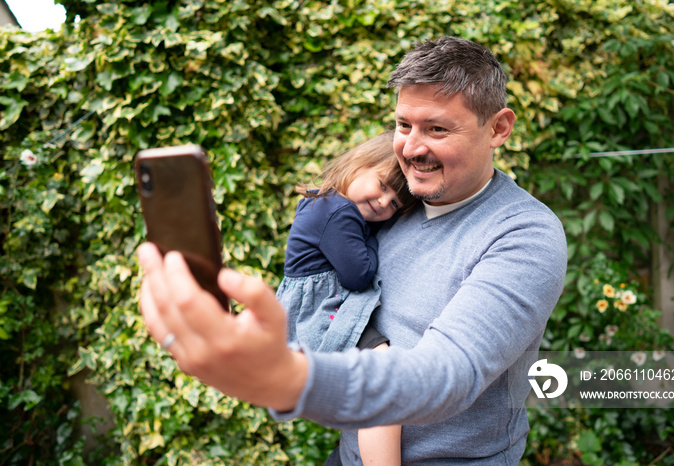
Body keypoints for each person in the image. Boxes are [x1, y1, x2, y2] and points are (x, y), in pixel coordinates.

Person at [137, 36, 568, 464]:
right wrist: (243, 340)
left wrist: (286, 379)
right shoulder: (392, 210)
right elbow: (336, 310)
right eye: (403, 125)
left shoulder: (524, 234)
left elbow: (447, 377)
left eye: (437, 129)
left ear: (498, 128)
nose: (412, 148)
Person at [277, 130, 415, 465]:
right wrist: (373, 241)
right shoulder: (339, 213)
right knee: (380, 370)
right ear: (358, 163)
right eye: (382, 185)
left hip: (312, 306)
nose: (383, 202)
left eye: (394, 204)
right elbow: (358, 274)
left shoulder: (325, 202)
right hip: (318, 311)